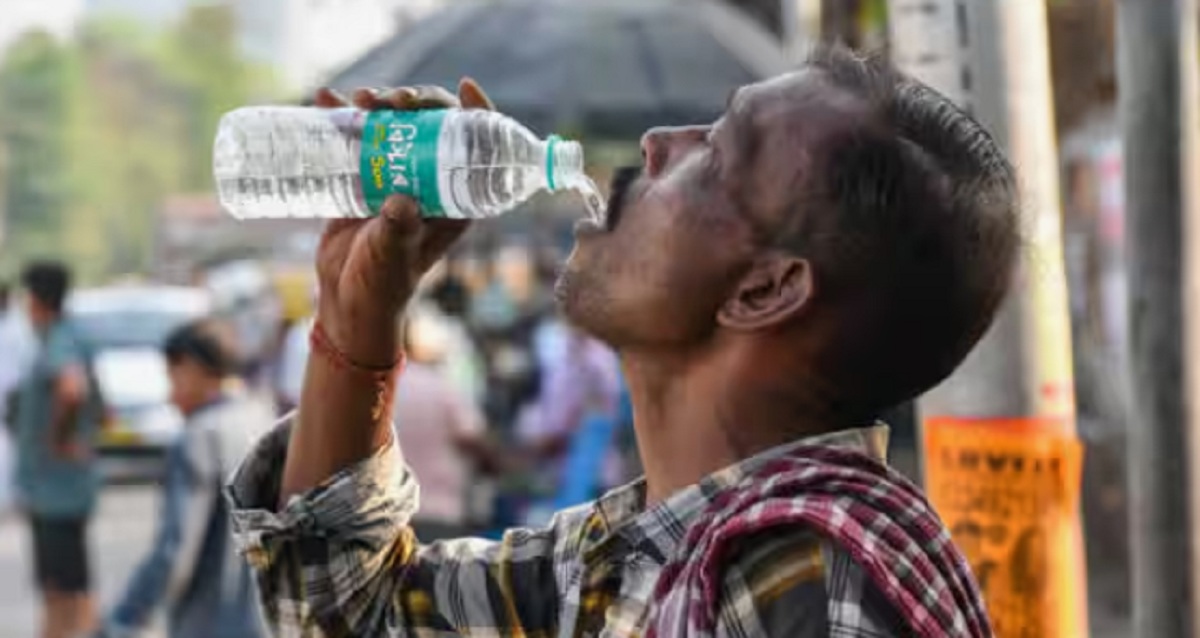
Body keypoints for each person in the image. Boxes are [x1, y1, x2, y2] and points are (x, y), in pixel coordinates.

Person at [228, 47, 1014, 636]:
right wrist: (358, 312)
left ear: (765, 290)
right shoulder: (635, 556)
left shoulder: (811, 576)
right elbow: (345, 613)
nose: (657, 142)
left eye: (715, 153)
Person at [96, 320, 268, 638]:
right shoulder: (261, 419)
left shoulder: (199, 438)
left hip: (212, 621)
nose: (170, 395)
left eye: (171, 377)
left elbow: (175, 552)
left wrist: (124, 618)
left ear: (191, 368)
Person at [14, 261, 103, 638]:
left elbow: (72, 388)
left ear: (35, 299)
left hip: (57, 491)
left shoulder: (59, 339)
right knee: (64, 586)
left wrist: (60, 439)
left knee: (65, 589)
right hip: (60, 488)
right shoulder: (64, 335)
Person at [392, 321, 494, 540]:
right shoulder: (441, 386)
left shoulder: (372, 392)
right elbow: (472, 438)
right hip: (440, 514)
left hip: (384, 518)